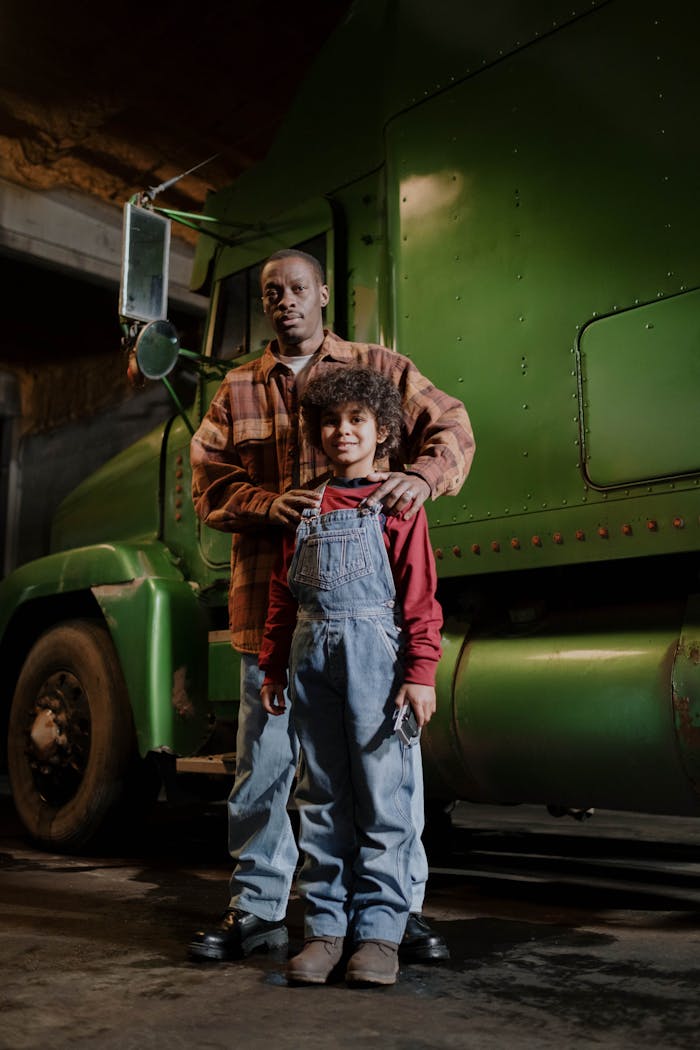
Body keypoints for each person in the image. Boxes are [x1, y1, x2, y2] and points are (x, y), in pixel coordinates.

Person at [188, 248, 475, 964]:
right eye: (270, 293)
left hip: (371, 623)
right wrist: (264, 503)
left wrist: (423, 477)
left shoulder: (379, 369)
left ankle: (393, 915)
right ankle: (256, 913)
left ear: (322, 295)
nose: (283, 301)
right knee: (265, 775)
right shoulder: (236, 391)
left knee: (382, 778)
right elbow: (206, 482)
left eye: (296, 289)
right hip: (274, 615)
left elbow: (453, 427)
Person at [259, 365, 443, 987]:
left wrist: (420, 673)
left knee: (384, 800)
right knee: (320, 799)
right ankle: (326, 932)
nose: (343, 431)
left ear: (383, 430)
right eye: (332, 421)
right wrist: (273, 663)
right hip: (311, 663)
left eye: (358, 420)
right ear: (316, 431)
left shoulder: (395, 503)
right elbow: (283, 598)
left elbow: (419, 596)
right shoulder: (305, 506)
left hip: (377, 662)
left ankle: (380, 935)